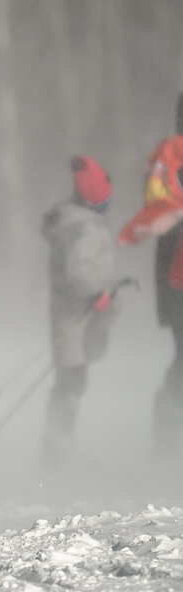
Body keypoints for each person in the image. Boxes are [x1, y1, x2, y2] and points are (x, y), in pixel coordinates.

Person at [42, 156, 120, 460]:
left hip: (69, 315)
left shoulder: (72, 223)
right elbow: (77, 268)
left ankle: (59, 445)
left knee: (71, 380)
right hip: (76, 317)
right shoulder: (85, 227)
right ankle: (58, 449)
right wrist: (96, 293)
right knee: (71, 382)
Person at [119, 93, 183, 455]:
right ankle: (167, 440)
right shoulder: (175, 163)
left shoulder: (169, 161)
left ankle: (167, 438)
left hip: (173, 288)